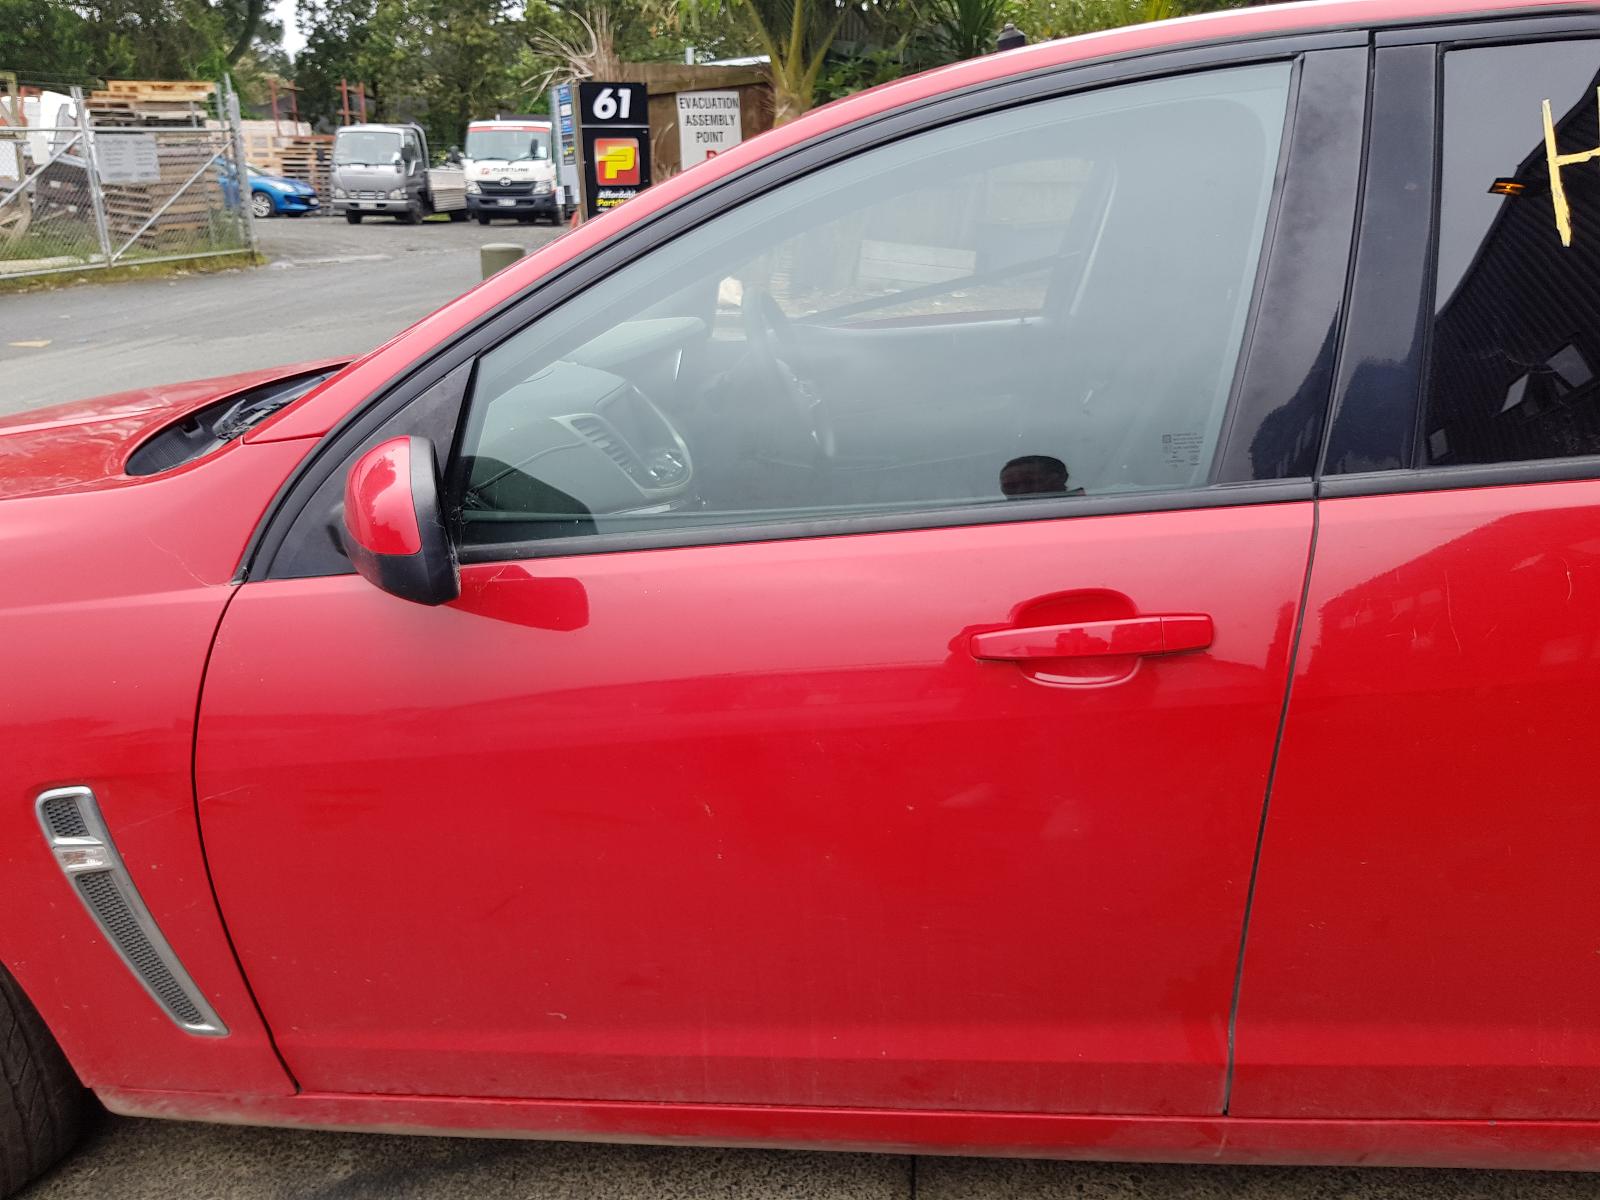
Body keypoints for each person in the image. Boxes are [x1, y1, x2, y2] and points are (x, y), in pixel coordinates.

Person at [1000, 455, 1084, 498]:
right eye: (1010, 486)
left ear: (1060, 479)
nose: (1021, 490)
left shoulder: (1087, 508)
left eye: (1030, 482)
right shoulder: (994, 513)